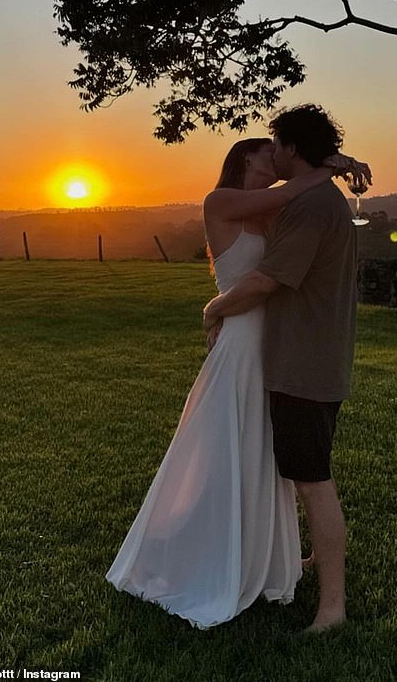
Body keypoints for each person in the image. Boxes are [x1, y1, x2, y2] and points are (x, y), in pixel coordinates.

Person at [106, 137, 366, 629]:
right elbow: (293, 193)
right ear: (246, 159)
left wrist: (331, 167)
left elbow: (294, 220)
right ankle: (209, 552)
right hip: (243, 340)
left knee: (266, 455)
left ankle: (264, 556)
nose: (280, 162)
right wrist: (334, 164)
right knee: (228, 446)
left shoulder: (275, 213)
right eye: (271, 153)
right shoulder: (221, 201)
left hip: (278, 345)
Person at [203, 104, 368, 633]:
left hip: (301, 364)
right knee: (295, 471)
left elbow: (267, 281)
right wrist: (332, 163)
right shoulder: (318, 200)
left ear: (291, 149)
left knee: (312, 481)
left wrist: (213, 307)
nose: (271, 154)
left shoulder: (309, 206)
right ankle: (301, 563)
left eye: (276, 146)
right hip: (307, 357)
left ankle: (332, 608)